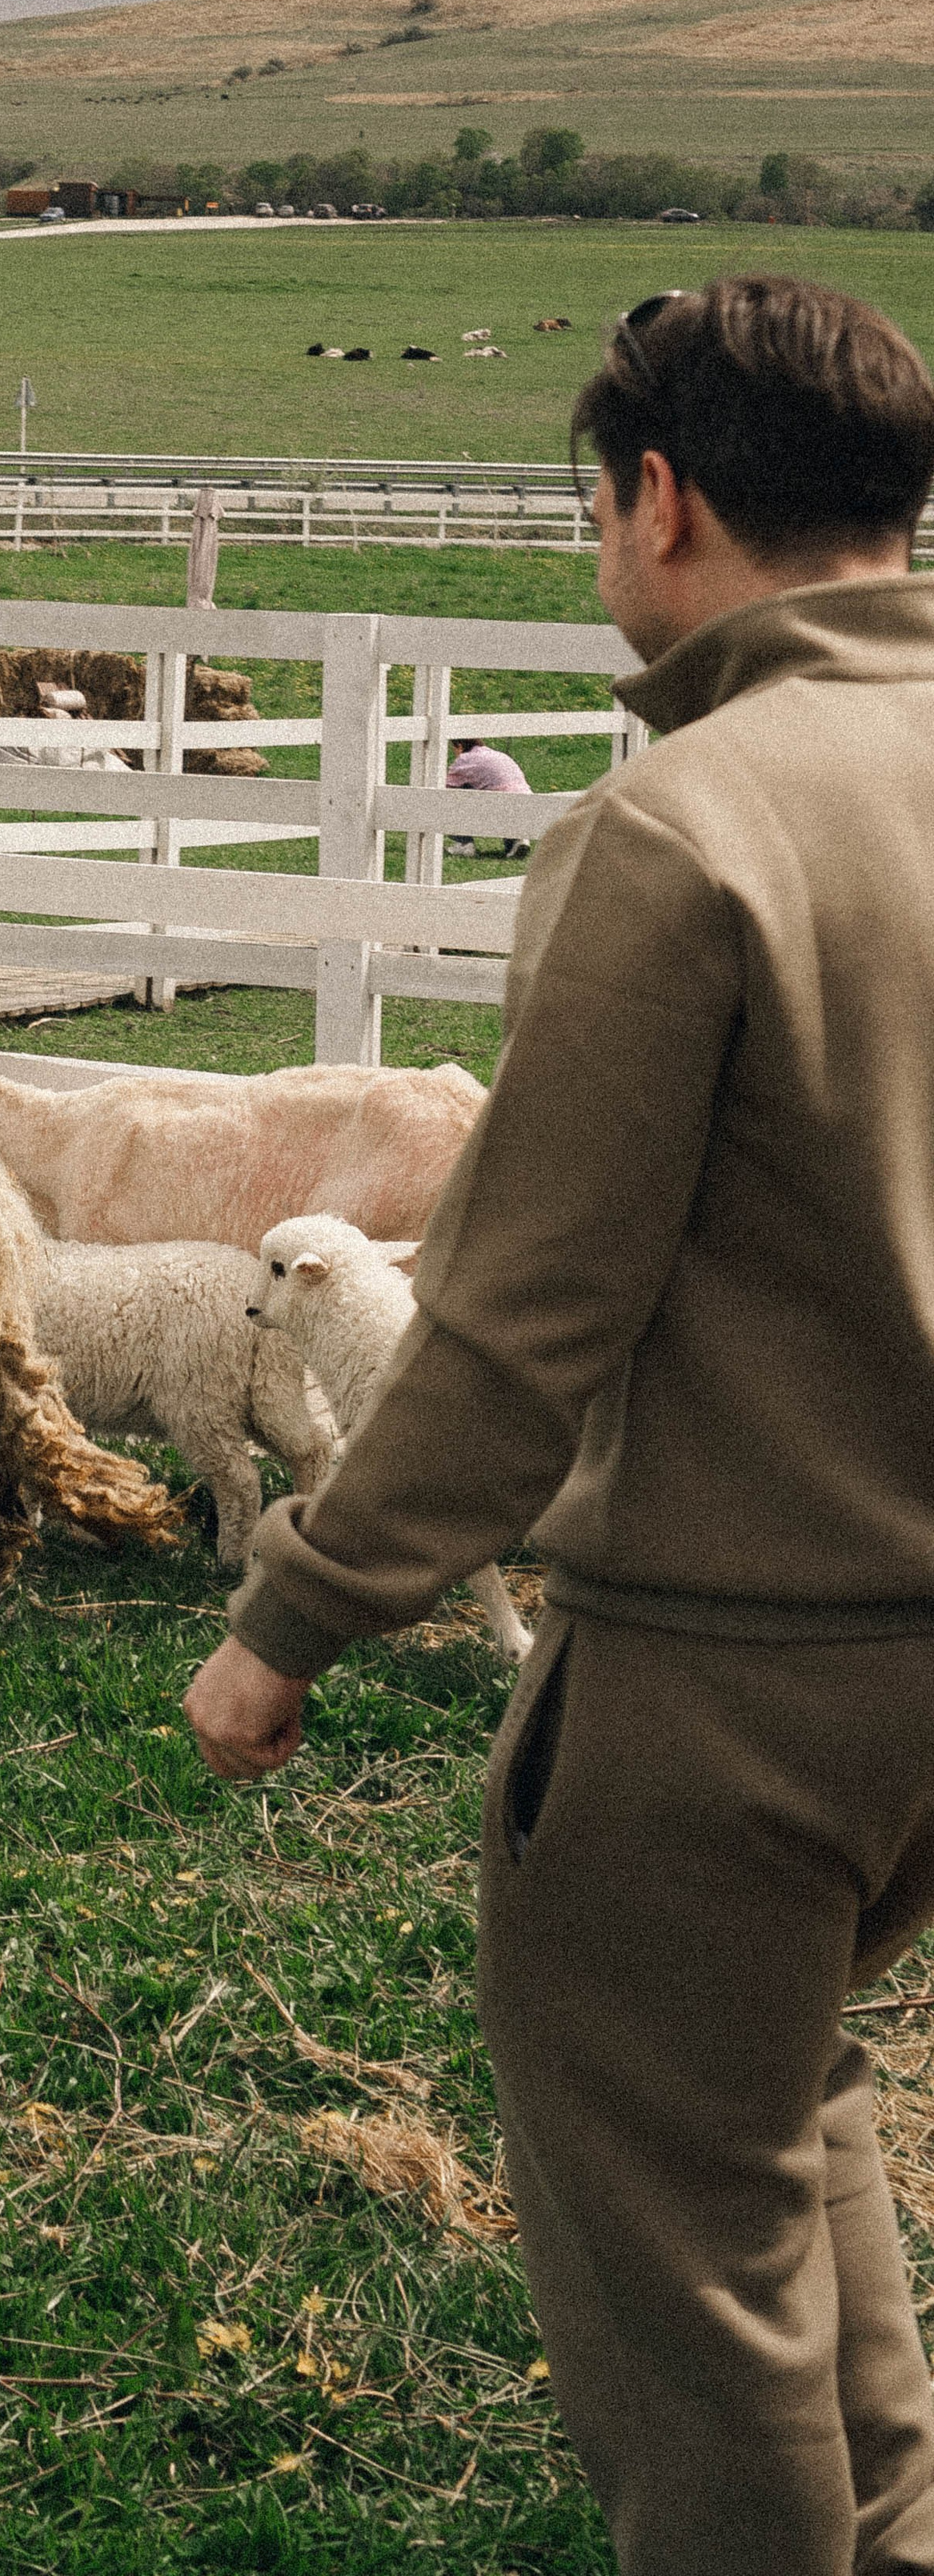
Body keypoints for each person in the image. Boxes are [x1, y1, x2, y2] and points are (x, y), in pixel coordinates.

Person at [183, 275, 934, 2576]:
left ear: (663, 500)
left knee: (669, 2270)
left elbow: (521, 1320)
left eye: (595, 507)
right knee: (772, 2109)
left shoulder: (684, 828)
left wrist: (291, 1619)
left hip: (732, 1664)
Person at [444, 734, 533, 858]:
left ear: (459, 746)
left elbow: (444, 787)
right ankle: (518, 840)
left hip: (501, 809)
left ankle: (464, 843)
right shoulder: (499, 755)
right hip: (529, 805)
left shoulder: (465, 759)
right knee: (503, 794)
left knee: (449, 797)